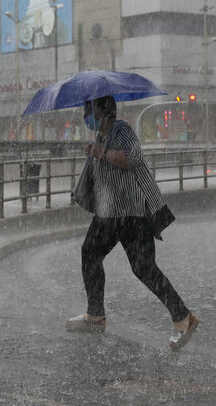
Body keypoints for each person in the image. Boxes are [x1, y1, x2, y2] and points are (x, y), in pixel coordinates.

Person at [65, 95, 199, 351]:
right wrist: (96, 152)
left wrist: (101, 153)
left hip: (132, 214)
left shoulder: (122, 130)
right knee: (90, 253)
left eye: (88, 109)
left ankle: (183, 317)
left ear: (103, 111)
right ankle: (95, 315)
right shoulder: (101, 136)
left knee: (144, 269)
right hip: (109, 214)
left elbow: (134, 157)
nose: (85, 116)